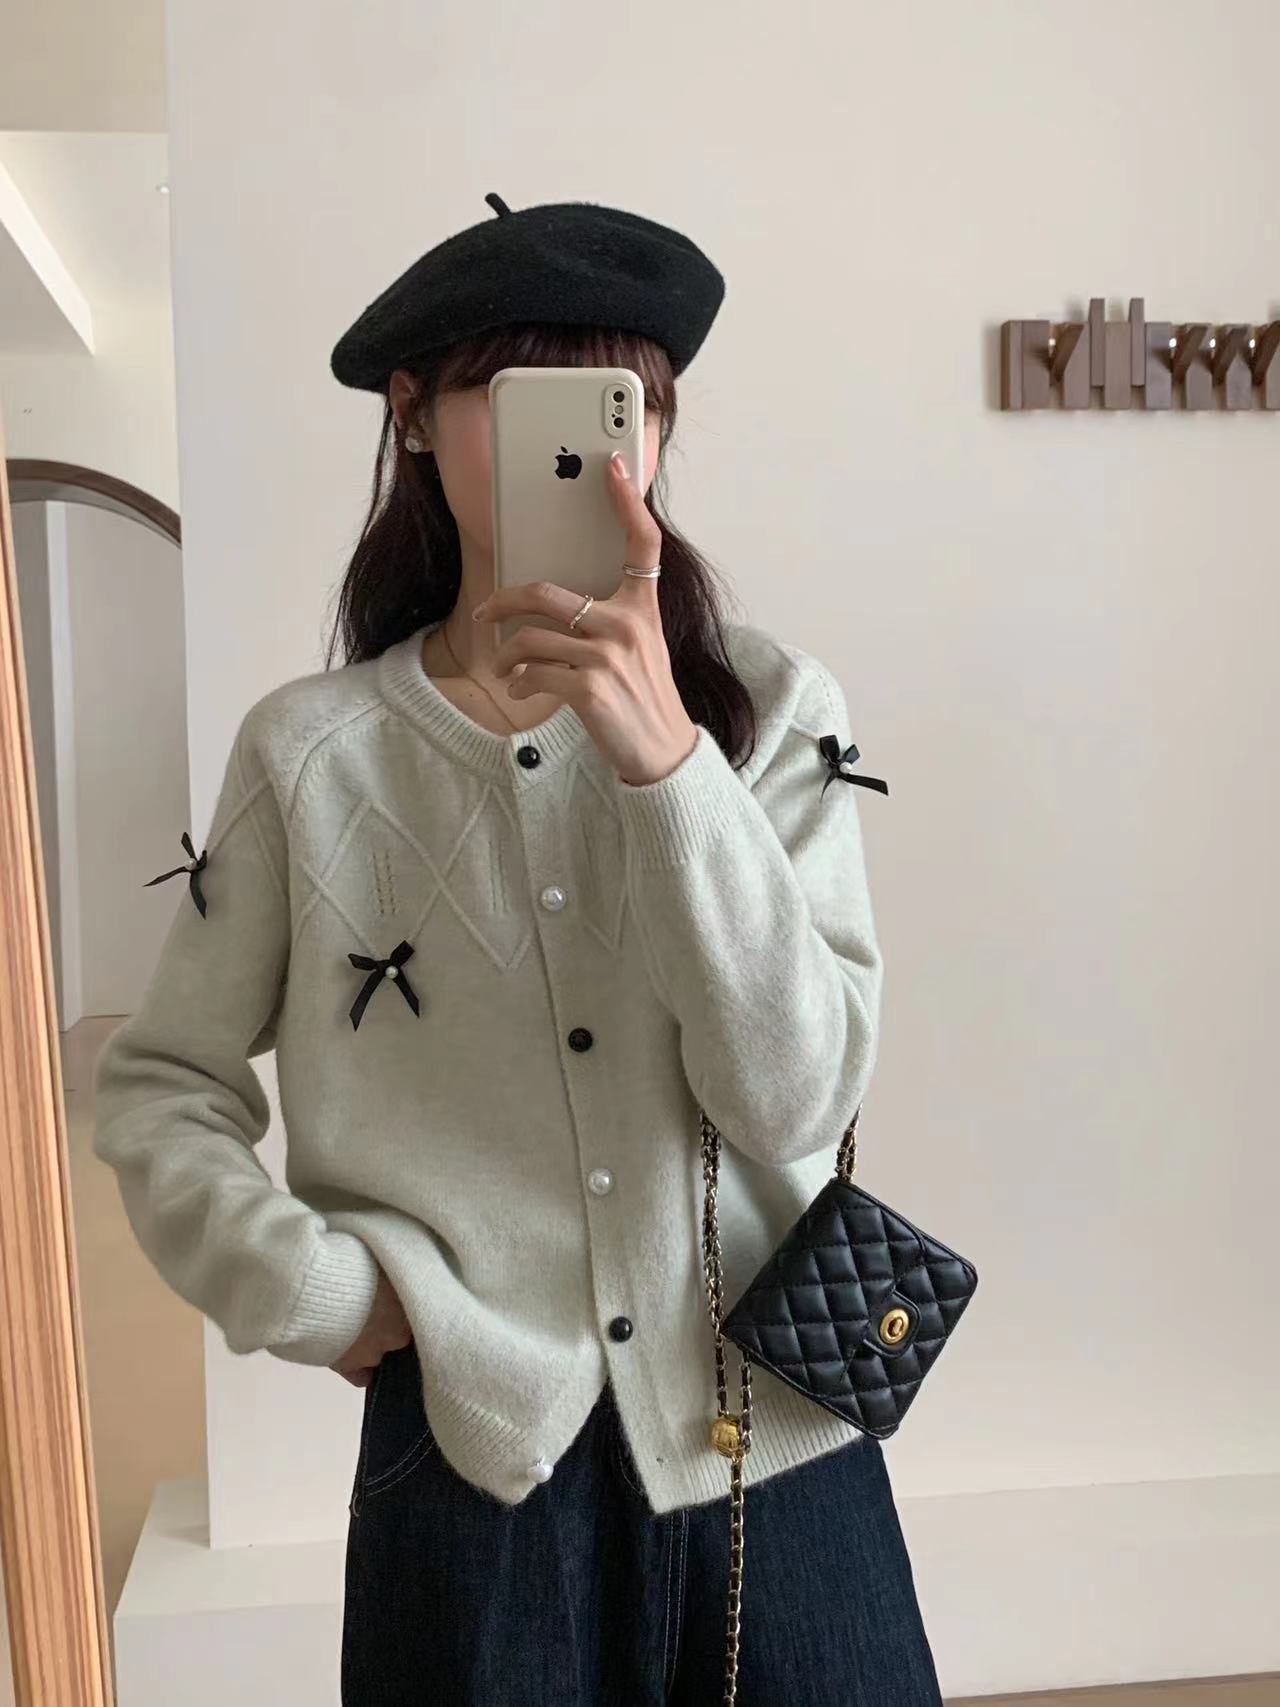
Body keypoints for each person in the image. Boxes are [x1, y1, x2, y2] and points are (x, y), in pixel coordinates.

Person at [93, 193, 944, 1705]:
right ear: (413, 416)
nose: (593, 452)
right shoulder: (313, 757)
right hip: (471, 1464)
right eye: (521, 396)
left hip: (775, 1446)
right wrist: (315, 1289)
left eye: (627, 406)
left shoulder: (771, 715)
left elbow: (794, 1100)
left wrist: (668, 766)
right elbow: (163, 1084)